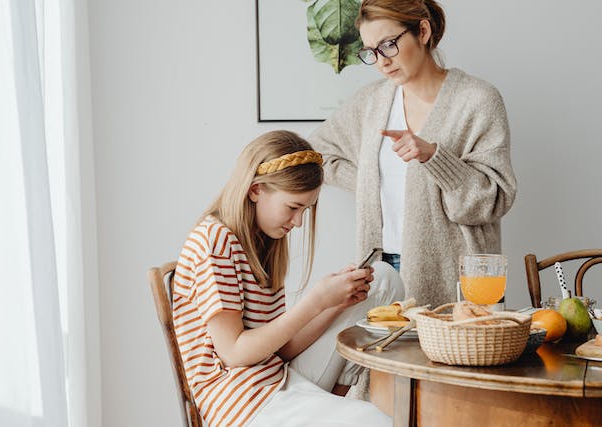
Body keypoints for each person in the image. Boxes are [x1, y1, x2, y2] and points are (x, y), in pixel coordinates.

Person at [172, 130, 401, 426]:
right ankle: (335, 408)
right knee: (378, 421)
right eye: (293, 207)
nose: (298, 222)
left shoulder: (262, 242)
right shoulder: (214, 240)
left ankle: (333, 400)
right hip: (240, 401)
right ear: (255, 190)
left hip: (276, 376)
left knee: (383, 278)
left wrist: (336, 303)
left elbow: (279, 349)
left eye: (305, 209)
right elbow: (234, 353)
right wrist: (316, 302)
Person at [309, 0, 517, 309]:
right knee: (383, 355)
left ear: (422, 30)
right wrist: (372, 182)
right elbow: (317, 154)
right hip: (382, 268)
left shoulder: (477, 100)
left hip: (457, 275)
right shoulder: (371, 102)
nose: (381, 62)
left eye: (388, 45)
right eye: (371, 52)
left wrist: (435, 157)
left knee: (452, 356)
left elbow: (493, 200)